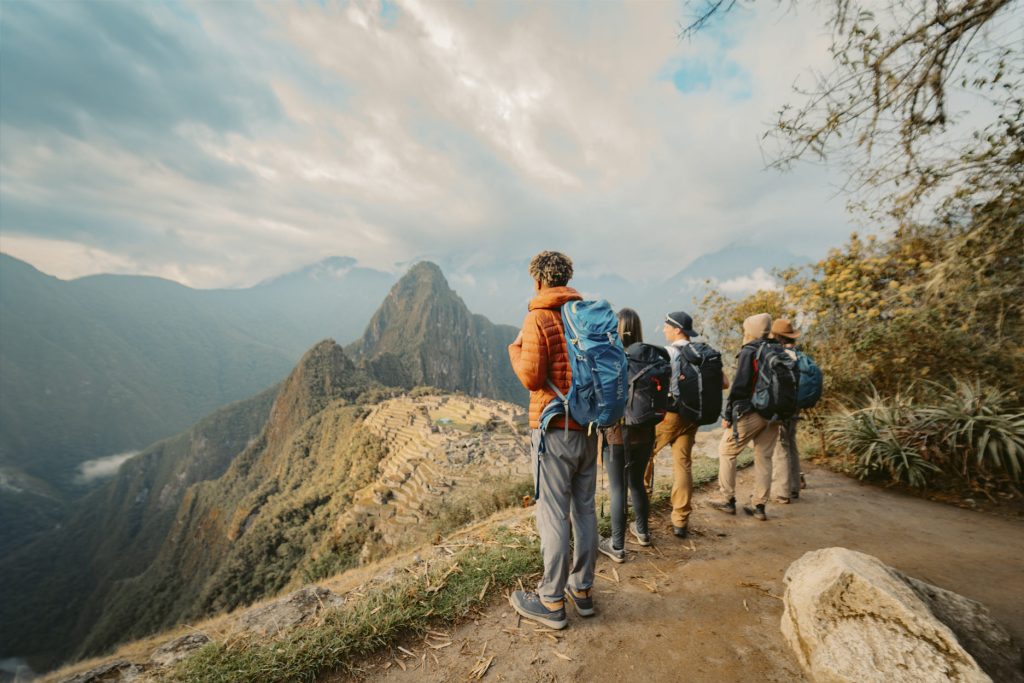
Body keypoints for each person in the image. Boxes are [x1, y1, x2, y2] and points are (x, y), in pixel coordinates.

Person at [507, 251, 598, 629]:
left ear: (538, 281)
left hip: (554, 427)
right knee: (585, 510)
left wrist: (513, 349)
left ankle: (551, 601)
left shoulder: (538, 317)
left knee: (554, 514)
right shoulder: (587, 315)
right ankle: (584, 591)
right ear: (568, 277)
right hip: (589, 429)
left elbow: (531, 377)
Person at [643, 311, 724, 539]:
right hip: (693, 417)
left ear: (677, 329)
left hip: (672, 415)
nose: (663, 329)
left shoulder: (671, 353)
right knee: (683, 464)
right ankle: (680, 520)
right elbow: (724, 382)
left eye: (667, 326)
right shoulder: (704, 353)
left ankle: (641, 509)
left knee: (645, 455)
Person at [597, 308, 659, 563]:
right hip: (645, 432)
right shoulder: (652, 357)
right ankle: (643, 532)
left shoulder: (611, 358)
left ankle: (617, 545)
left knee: (618, 488)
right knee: (637, 484)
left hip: (617, 435)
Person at [714, 313, 781, 521]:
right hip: (775, 413)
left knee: (726, 451)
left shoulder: (750, 351)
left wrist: (728, 414)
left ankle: (727, 499)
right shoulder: (778, 349)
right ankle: (759, 506)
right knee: (764, 457)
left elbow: (740, 386)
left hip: (753, 412)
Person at [770, 318, 802, 503]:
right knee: (791, 443)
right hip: (796, 404)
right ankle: (794, 487)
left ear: (777, 336)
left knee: (781, 446)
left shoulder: (782, 355)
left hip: (784, 405)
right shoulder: (797, 354)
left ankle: (782, 492)